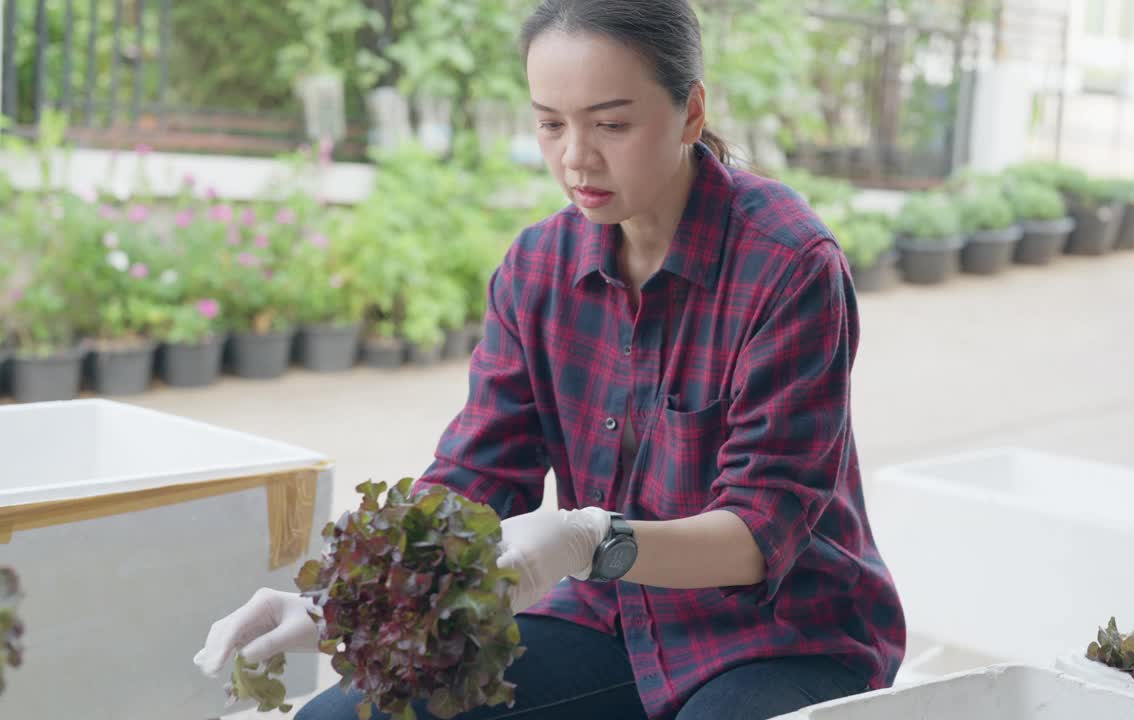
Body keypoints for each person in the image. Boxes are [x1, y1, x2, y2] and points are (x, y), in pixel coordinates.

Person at [192, 1, 905, 718]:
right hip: (605, 620)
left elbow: (759, 531)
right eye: (549, 123)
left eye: (611, 124)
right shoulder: (538, 267)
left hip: (782, 636)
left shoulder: (789, 265)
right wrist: (340, 606)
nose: (575, 157)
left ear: (691, 114)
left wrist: (590, 541)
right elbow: (478, 474)